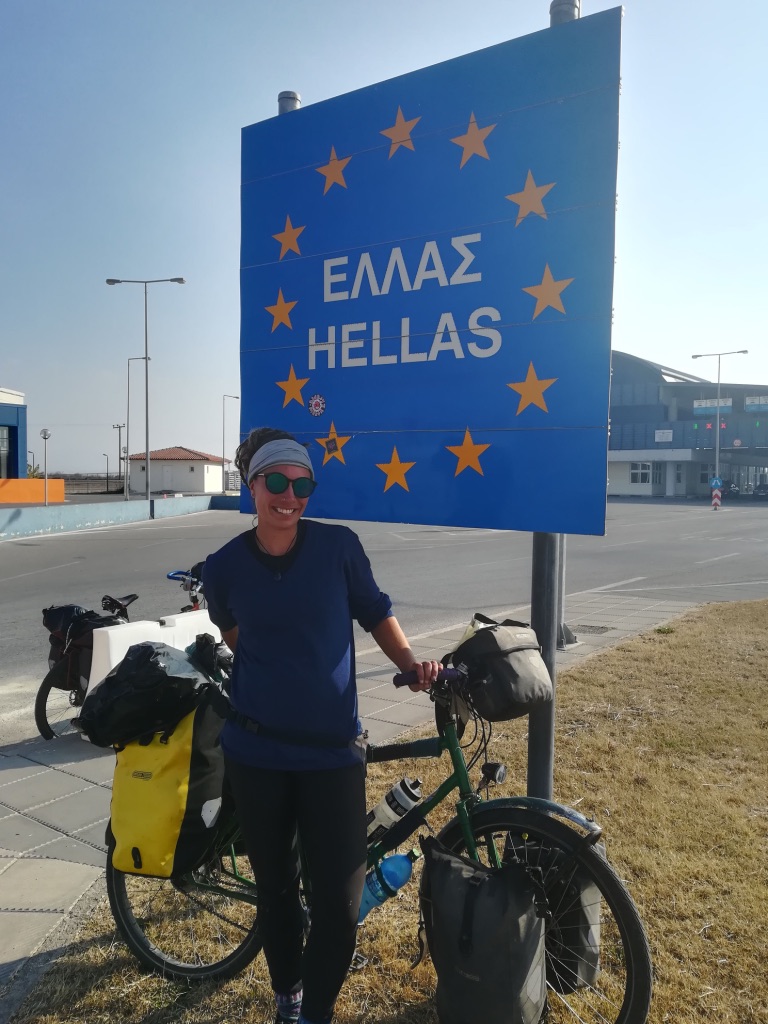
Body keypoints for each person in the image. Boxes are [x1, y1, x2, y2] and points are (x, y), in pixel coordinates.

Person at [203, 426, 439, 1024]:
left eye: (301, 484)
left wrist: (410, 665)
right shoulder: (224, 566)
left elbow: (376, 613)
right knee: (277, 890)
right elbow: (234, 633)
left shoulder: (339, 548)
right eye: (276, 482)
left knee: (338, 902)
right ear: (252, 486)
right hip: (257, 754)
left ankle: (317, 1013)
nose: (289, 496)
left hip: (333, 753)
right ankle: (289, 998)